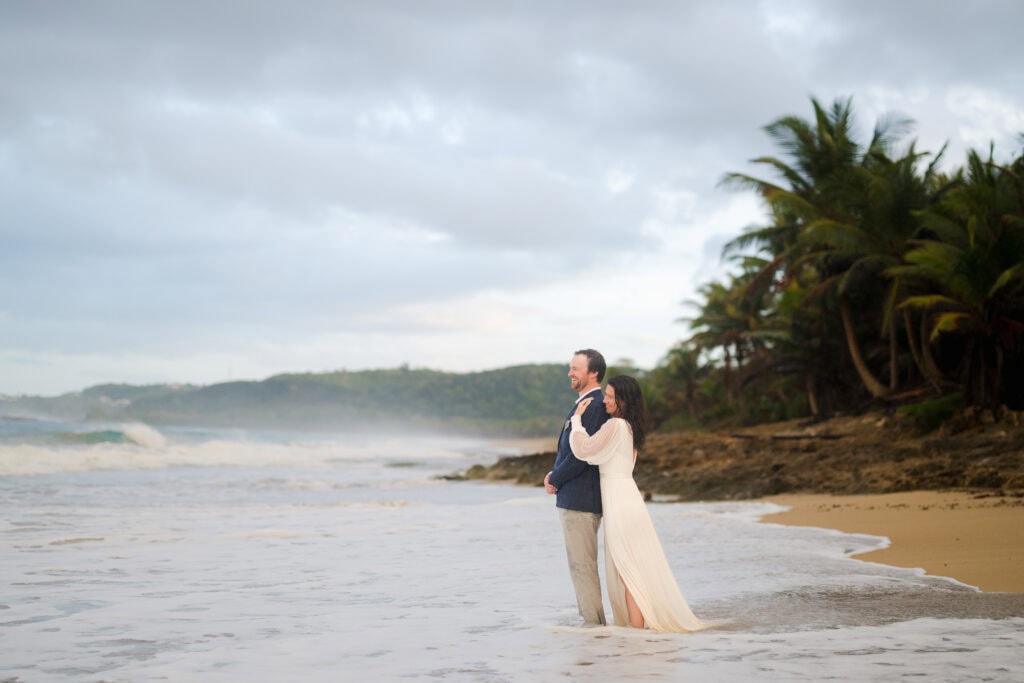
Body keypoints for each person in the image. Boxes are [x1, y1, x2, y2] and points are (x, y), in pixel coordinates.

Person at [569, 375, 705, 633]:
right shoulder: (629, 426)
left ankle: (636, 628)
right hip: (628, 496)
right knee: (630, 565)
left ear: (623, 400)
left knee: (626, 567)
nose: (605, 401)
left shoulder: (616, 425)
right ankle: (637, 626)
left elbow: (585, 450)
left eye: (610, 396)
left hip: (620, 501)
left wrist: (576, 420)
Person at [544, 349, 610, 626]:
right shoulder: (587, 403)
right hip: (578, 495)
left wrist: (555, 478)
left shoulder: (594, 405)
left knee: (582, 565)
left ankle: (594, 628)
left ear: (593, 372)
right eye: (570, 367)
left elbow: (582, 455)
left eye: (576, 368)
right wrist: (554, 472)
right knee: (580, 565)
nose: (570, 373)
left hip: (581, 497)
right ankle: (592, 624)